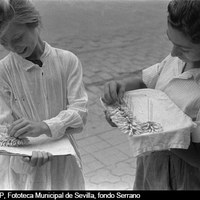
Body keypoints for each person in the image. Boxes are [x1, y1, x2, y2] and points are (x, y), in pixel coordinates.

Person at [102, 0, 200, 190]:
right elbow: (144, 83)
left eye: (184, 48)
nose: (173, 52)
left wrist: (159, 128)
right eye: (171, 41)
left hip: (183, 177)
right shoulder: (175, 60)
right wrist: (122, 87)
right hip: (151, 165)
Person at [0, 0, 88, 190]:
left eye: (17, 38)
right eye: (4, 43)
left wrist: (44, 126)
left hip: (63, 160)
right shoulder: (3, 71)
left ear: (34, 23)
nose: (13, 47)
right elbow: (3, 127)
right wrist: (24, 153)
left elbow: (79, 112)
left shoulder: (67, 61)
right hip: (24, 168)